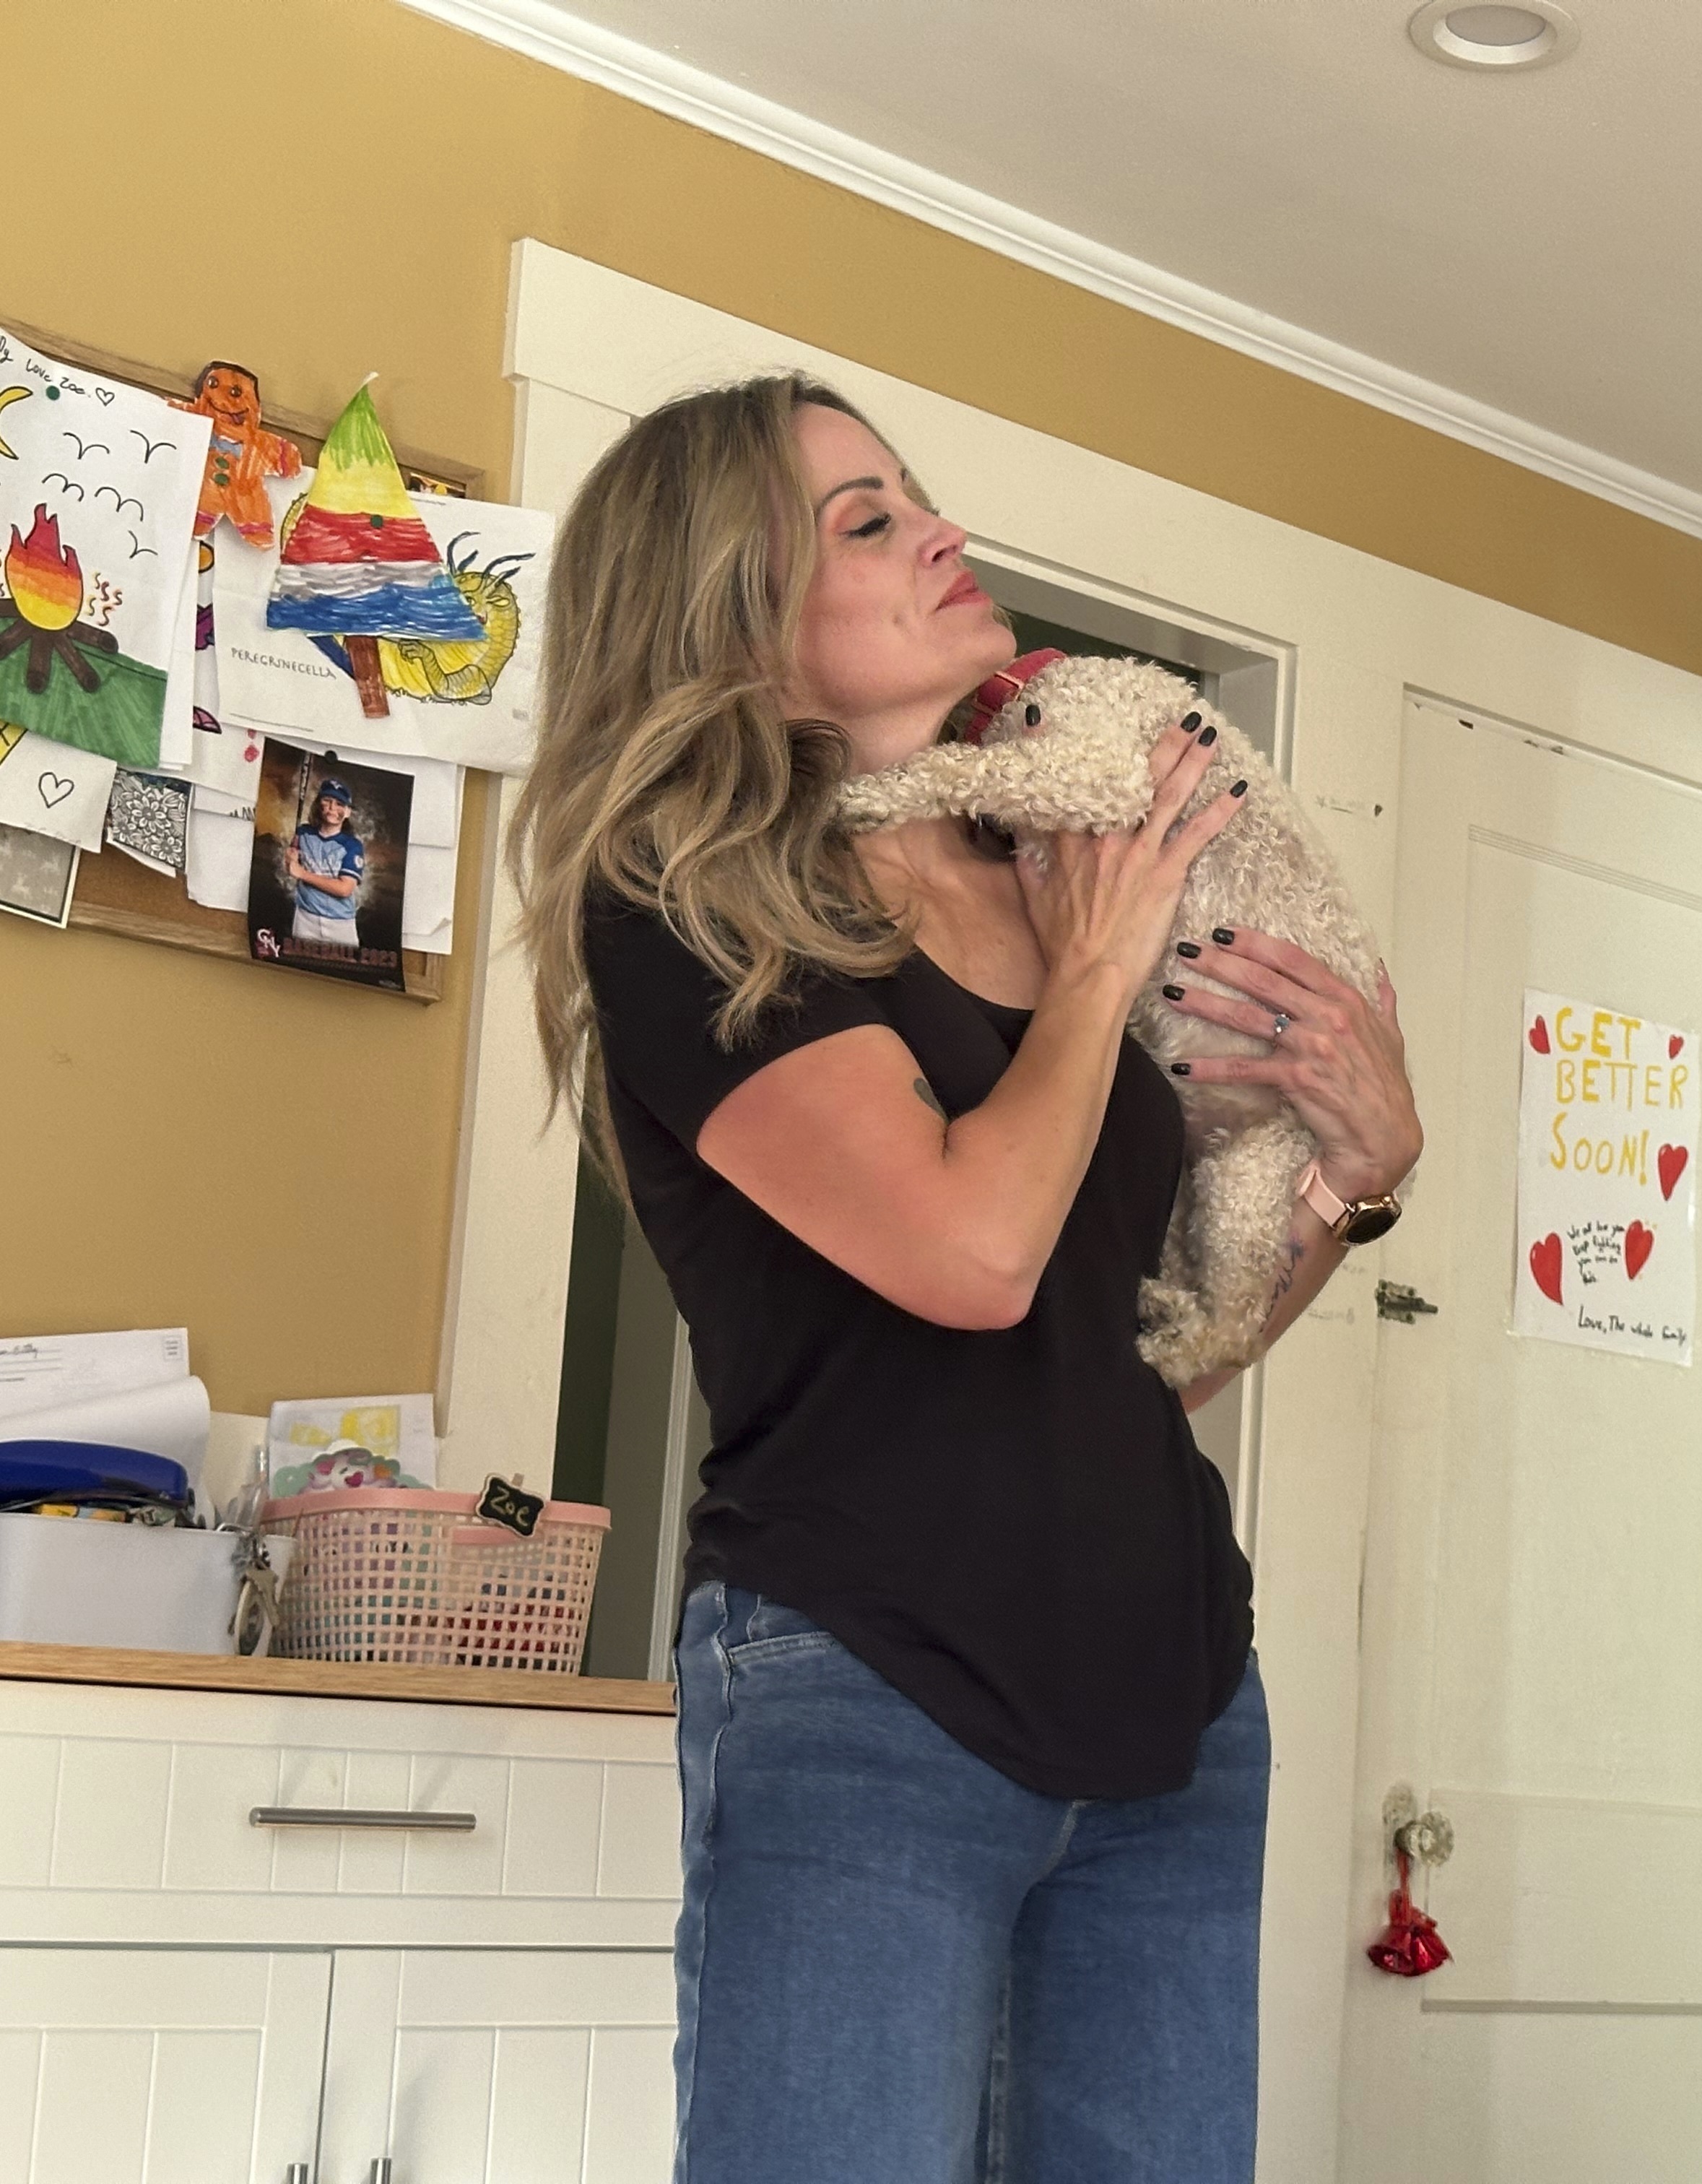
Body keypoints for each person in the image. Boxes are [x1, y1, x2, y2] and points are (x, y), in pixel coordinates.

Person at [509, 375, 1421, 2181]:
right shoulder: (690, 911)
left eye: (913, 492)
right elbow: (974, 1259)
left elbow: (1140, 1353)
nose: (940, 527)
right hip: (865, 1690)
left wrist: (1359, 1186)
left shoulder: (1053, 862)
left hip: (1174, 1703)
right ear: (742, 643)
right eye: (864, 519)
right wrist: (1096, 977)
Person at [286, 778, 364, 947]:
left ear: (348, 811)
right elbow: (293, 868)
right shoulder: (304, 833)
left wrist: (303, 874)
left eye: (339, 804)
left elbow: (344, 889)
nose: (332, 808)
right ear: (318, 804)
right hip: (305, 917)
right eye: (327, 801)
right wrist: (290, 860)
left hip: (340, 923)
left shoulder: (352, 845)